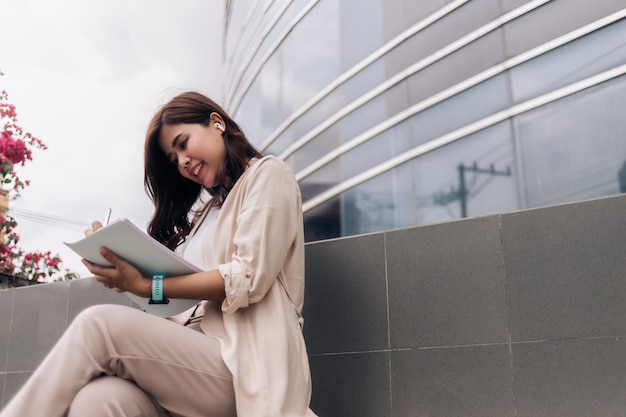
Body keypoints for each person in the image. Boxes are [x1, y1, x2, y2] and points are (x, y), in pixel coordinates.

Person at [0, 91, 318, 417]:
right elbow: (181, 306)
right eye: (172, 158)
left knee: (99, 325)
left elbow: (247, 279)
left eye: (183, 143)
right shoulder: (203, 216)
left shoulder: (267, 175)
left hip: (244, 366)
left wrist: (148, 285)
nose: (181, 161)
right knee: (100, 398)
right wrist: (121, 265)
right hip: (190, 362)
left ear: (217, 123)